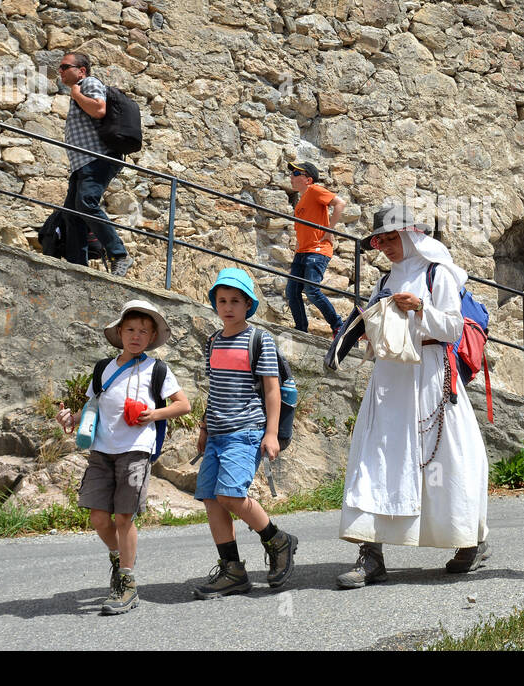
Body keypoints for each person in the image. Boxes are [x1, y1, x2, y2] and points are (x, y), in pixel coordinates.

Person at [334, 205, 490, 589]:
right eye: (380, 240)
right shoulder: (385, 281)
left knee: (445, 457)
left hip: (431, 372)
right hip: (389, 377)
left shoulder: (439, 275)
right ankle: (370, 556)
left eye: (391, 237)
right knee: (375, 456)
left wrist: (421, 308)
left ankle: (469, 540)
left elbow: (453, 328)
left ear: (411, 235)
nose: (385, 246)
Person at [57, 299, 190, 615]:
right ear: (119, 332)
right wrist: (72, 419)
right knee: (98, 517)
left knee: (124, 517)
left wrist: (153, 414)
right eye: (130, 329)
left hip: (135, 451)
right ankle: (119, 558)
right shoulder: (103, 368)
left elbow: (183, 405)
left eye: (144, 331)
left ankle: (127, 584)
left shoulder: (157, 370)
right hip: (101, 451)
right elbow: (93, 406)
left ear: (152, 336)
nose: (136, 335)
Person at [191, 267, 298, 597]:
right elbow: (216, 389)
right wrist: (205, 428)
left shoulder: (258, 339)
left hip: (246, 431)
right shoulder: (213, 341)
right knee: (211, 499)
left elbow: (271, 390)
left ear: (248, 304)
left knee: (230, 495)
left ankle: (278, 540)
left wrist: (270, 433)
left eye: (235, 300)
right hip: (218, 434)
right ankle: (233, 570)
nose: (228, 306)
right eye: (222, 300)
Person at [57, 52, 132, 277]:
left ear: (81, 70)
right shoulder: (78, 89)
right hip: (82, 162)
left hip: (97, 158)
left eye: (64, 66)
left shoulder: (88, 83)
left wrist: (77, 93)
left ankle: (120, 254)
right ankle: (77, 266)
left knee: (86, 203)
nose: (60, 71)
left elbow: (99, 109)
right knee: (72, 213)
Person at [287, 161, 345, 336]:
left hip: (317, 250)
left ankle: (338, 326)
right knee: (292, 291)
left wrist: (329, 229)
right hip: (303, 252)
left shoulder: (314, 190)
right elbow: (301, 230)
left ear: (308, 179)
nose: (291, 176)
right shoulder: (300, 203)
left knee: (311, 290)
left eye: (296, 174)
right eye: (292, 173)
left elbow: (340, 203)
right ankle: (301, 329)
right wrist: (297, 251)